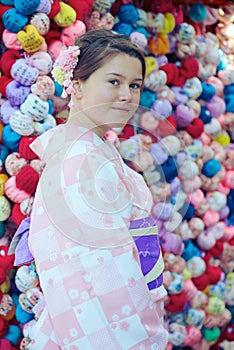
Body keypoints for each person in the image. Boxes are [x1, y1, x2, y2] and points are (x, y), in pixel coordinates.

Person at [12, 29, 168, 349]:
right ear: (78, 84)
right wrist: (145, 338)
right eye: (114, 81)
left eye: (134, 85)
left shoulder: (90, 153)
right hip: (107, 325)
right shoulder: (81, 164)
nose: (127, 95)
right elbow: (100, 271)